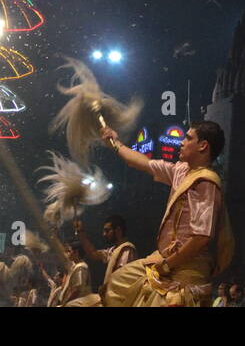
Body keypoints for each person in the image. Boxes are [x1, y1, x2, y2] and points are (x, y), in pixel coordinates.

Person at [101, 121, 234, 306]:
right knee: (116, 284)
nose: (181, 142)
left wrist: (167, 265)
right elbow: (143, 163)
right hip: (163, 260)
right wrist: (115, 143)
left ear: (203, 146)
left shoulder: (206, 182)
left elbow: (201, 237)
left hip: (187, 268)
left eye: (188, 138)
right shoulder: (181, 171)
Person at [73, 214, 137, 304]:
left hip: (119, 299)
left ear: (118, 230)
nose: (104, 234)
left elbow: (121, 278)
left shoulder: (126, 249)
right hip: (109, 296)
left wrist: (104, 290)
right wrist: (80, 232)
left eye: (107, 231)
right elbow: (93, 254)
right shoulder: (113, 250)